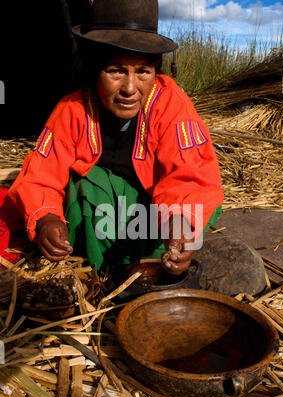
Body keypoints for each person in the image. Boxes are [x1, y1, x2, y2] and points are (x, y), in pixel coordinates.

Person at [5, 0, 223, 277]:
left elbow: (192, 174)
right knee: (87, 186)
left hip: (156, 211)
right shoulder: (72, 109)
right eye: (116, 71)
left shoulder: (171, 104)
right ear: (95, 69)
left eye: (143, 71)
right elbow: (41, 174)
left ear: (156, 70)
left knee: (189, 214)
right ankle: (104, 274)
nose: (130, 88)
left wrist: (180, 222)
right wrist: (46, 216)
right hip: (100, 211)